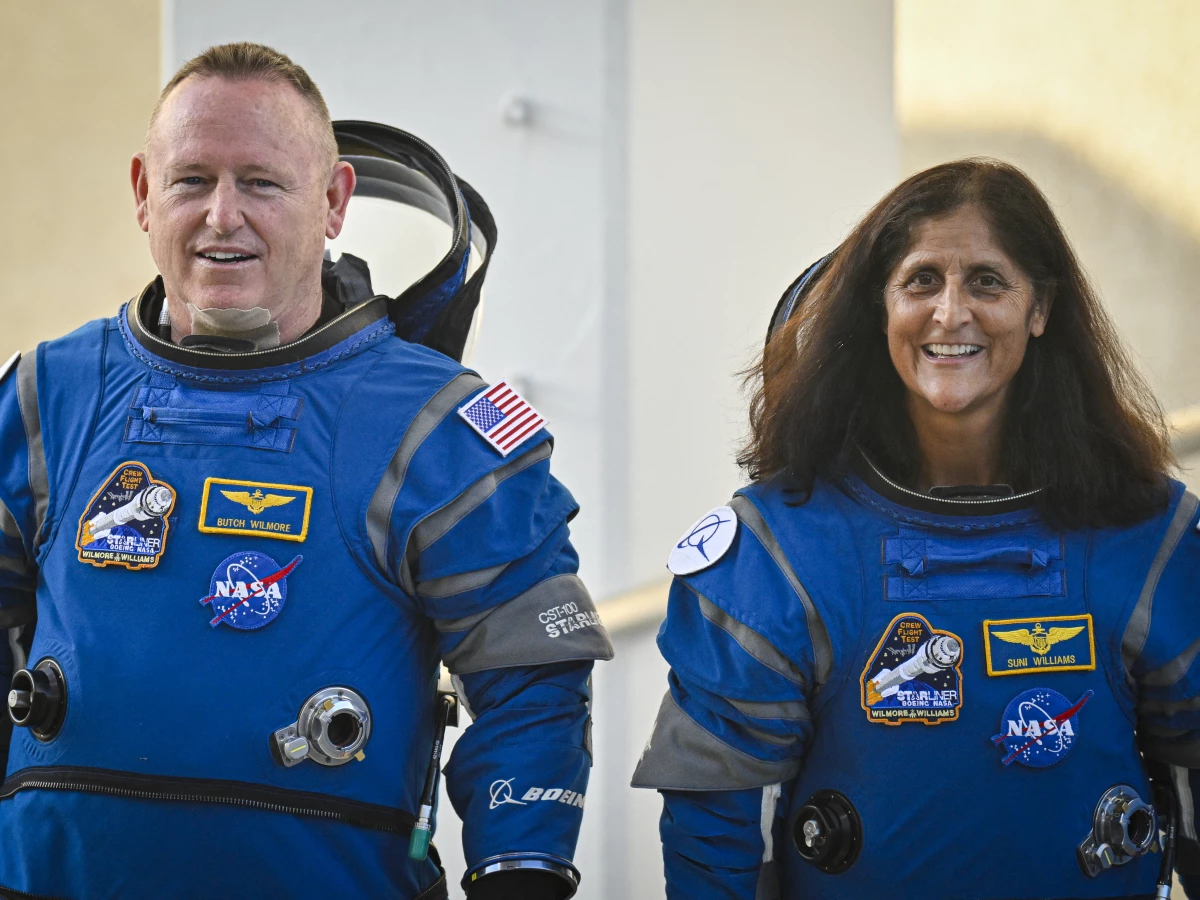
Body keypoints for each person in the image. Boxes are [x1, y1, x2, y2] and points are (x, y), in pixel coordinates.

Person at [0, 42, 611, 900]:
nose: (222, 216)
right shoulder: (48, 395)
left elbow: (533, 688)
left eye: (261, 182)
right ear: (143, 193)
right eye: (191, 180)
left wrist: (520, 877)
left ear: (333, 202)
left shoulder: (434, 426)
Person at [632, 158, 1200, 899]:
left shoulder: (1150, 537)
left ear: (1040, 307)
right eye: (922, 280)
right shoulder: (780, 553)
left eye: (987, 281)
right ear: (881, 307)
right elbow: (713, 841)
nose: (951, 313)